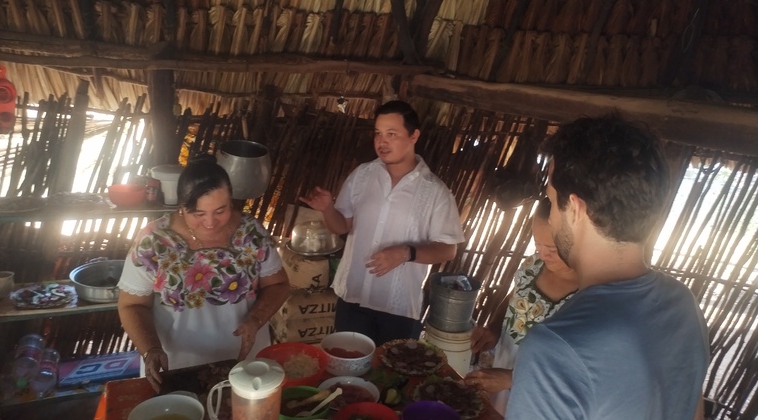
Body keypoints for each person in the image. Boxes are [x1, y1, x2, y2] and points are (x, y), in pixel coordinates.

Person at [506, 114, 710, 419]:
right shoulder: (682, 304)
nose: (550, 219)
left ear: (575, 209)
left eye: (551, 200)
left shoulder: (556, 347)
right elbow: (695, 410)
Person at [299, 100, 464, 346]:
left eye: (391, 134)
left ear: (414, 135)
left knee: (390, 377)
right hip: (353, 297)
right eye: (378, 133)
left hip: (397, 307)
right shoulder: (362, 175)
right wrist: (327, 210)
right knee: (347, 371)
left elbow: (448, 249)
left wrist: (405, 253)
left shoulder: (435, 192)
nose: (381, 142)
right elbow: (342, 227)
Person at [117, 161, 290, 392]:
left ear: (231, 201)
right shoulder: (154, 240)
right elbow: (131, 305)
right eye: (198, 213)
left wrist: (256, 319)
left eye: (221, 210)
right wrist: (150, 349)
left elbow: (278, 284)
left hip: (243, 365)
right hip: (176, 365)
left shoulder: (251, 232)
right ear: (182, 206)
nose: (210, 222)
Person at [465, 198, 578, 415]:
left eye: (553, 248)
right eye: (537, 244)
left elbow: (573, 366)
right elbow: (515, 297)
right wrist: (495, 328)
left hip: (540, 398)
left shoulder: (589, 294)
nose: (544, 254)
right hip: (500, 376)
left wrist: (512, 378)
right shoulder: (533, 265)